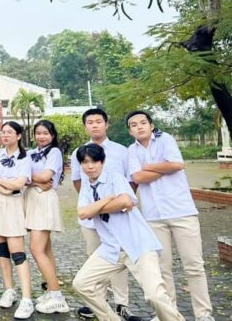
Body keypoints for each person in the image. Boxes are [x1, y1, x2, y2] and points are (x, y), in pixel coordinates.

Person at [73, 144, 185, 321]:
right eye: (85, 162)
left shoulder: (115, 178)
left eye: (94, 161)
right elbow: (82, 213)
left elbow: (125, 201)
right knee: (81, 284)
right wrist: (108, 199)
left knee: (155, 296)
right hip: (111, 248)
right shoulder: (87, 186)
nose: (90, 166)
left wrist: (94, 208)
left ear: (102, 162)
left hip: (138, 244)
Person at [126, 110, 215, 321]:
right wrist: (163, 167)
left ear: (151, 125)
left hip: (182, 211)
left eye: (143, 123)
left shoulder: (165, 139)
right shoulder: (131, 150)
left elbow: (177, 164)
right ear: (130, 131)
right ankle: (168, 313)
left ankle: (203, 314)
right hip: (153, 216)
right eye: (134, 125)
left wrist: (149, 167)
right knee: (162, 268)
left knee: (194, 265)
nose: (139, 127)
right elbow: (137, 177)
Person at [70, 109, 141, 321]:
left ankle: (122, 305)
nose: (95, 125)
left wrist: (118, 205)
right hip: (92, 221)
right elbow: (78, 182)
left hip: (119, 217)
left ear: (106, 124)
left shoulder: (121, 151)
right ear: (85, 126)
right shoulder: (78, 152)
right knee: (96, 260)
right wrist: (92, 206)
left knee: (120, 260)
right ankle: (98, 304)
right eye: (90, 122)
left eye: (98, 121)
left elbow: (130, 182)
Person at [0, 121, 34, 318]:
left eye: (10, 132)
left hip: (13, 205)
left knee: (17, 253)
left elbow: (19, 183)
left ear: (18, 136)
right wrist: (3, 187)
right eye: (3, 132)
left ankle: (27, 299)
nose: (5, 135)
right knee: (1, 251)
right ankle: (9, 289)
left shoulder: (25, 157)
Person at [25, 119, 69, 314]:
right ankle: (51, 290)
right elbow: (23, 174)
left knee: (36, 248)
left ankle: (57, 297)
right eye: (38, 133)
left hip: (44, 200)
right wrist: (36, 181)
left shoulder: (54, 152)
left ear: (52, 135)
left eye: (45, 133)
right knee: (45, 248)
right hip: (33, 198)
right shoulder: (31, 152)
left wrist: (30, 177)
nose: (41, 136)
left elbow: (45, 178)